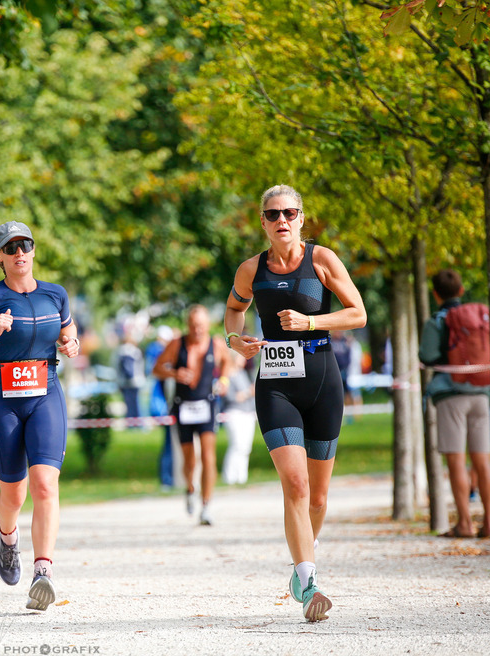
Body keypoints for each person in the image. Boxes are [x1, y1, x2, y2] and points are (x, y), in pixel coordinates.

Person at [224, 184, 366, 623]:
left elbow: (357, 313)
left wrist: (311, 321)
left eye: (289, 212)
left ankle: (302, 559)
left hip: (323, 382)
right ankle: (308, 581)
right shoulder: (251, 269)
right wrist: (235, 340)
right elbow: (233, 309)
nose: (281, 220)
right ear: (262, 222)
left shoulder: (320, 260)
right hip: (276, 386)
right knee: (296, 486)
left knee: (319, 498)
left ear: (302, 218)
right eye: (272, 214)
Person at [0, 220, 80, 611]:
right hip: (2, 400)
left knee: (44, 485)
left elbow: (69, 333)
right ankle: (8, 539)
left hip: (46, 394)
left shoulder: (56, 295)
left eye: (25, 245)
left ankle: (43, 572)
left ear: (34, 250)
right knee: (14, 493)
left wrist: (71, 342)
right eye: (11, 248)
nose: (19, 252)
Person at [418, 269, 490, 539]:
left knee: (457, 461)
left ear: (435, 293)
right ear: (461, 291)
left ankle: (464, 523)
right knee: (483, 461)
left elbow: (427, 356)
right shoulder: (482, 318)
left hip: (451, 395)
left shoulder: (438, 320)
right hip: (481, 393)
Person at [152, 305, 232, 525]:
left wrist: (223, 381)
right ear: (188, 325)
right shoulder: (177, 344)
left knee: (208, 456)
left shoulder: (215, 344)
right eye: (193, 326)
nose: (197, 330)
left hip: (206, 406)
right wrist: (174, 373)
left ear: (207, 326)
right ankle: (190, 488)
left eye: (201, 326)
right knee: (189, 460)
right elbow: (156, 368)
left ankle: (206, 506)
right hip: (183, 406)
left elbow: (228, 362)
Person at [145, 325, 176, 489]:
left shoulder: (154, 351)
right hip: (165, 407)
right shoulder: (158, 351)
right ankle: (167, 478)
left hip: (165, 405)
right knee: (170, 444)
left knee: (171, 443)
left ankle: (170, 478)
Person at [220, 352, 256, 486]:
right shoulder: (228, 375)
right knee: (236, 445)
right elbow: (230, 397)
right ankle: (229, 476)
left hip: (248, 413)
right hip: (234, 413)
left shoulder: (244, 374)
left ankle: (241, 477)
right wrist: (248, 393)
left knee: (245, 447)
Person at [115, 330, 145, 421]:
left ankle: (130, 421)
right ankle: (138, 422)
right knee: (137, 403)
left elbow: (116, 367)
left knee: (128, 403)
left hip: (124, 381)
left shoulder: (119, 351)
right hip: (136, 380)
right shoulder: (136, 351)